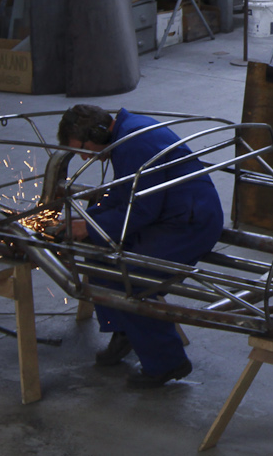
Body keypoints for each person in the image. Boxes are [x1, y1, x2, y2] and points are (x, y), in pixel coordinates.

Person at [57, 105, 224, 389]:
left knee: (127, 277)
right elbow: (124, 192)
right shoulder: (124, 131)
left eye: (83, 148)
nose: (85, 157)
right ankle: (125, 332)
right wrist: (89, 219)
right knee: (98, 255)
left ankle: (167, 363)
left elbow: (142, 210)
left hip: (188, 223)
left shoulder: (133, 144)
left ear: (97, 132)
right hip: (170, 213)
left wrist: (91, 227)